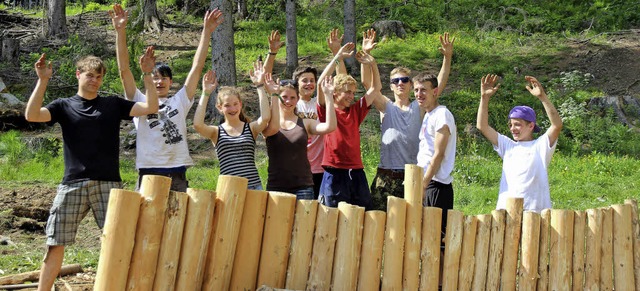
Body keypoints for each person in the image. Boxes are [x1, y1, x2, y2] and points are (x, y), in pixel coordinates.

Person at [25, 52, 159, 291]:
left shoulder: (112, 104)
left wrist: (148, 74)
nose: (94, 80)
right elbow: (32, 115)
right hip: (72, 184)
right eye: (89, 75)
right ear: (78, 75)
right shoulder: (63, 106)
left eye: (98, 76)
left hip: (108, 185)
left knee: (119, 242)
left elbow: (150, 106)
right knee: (55, 242)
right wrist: (42, 80)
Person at [110, 4, 223, 192]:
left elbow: (196, 67)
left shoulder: (180, 100)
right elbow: (124, 71)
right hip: (148, 170)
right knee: (147, 220)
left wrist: (207, 32)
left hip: (176, 170)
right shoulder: (138, 100)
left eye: (164, 78)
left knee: (176, 219)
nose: (159, 82)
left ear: (171, 82)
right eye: (155, 78)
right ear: (147, 79)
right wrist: (120, 31)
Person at [363, 29, 455, 211]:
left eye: (405, 80)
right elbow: (368, 84)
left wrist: (447, 57)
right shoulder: (386, 106)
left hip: (411, 176)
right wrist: (366, 54)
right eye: (396, 81)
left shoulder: (419, 106)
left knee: (409, 226)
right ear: (390, 86)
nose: (400, 83)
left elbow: (438, 85)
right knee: (379, 226)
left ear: (411, 85)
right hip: (386, 176)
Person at [263, 29, 346, 198]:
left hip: (315, 170)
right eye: (304, 80)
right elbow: (265, 79)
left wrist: (337, 54)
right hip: (281, 179)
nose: (288, 101)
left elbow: (337, 81)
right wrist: (272, 53)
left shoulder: (316, 105)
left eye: (312, 81)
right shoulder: (277, 115)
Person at [476, 74, 563, 212]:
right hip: (507, 211)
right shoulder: (508, 145)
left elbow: (556, 125)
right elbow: (482, 126)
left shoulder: (540, 146)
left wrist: (543, 97)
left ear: (531, 126)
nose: (512, 129)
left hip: (535, 212)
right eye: (510, 125)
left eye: (517, 124)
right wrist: (484, 98)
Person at [316, 43, 383, 210]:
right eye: (347, 92)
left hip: (356, 170)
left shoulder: (355, 111)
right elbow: (319, 84)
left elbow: (376, 88)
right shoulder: (328, 109)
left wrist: (373, 64)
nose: (351, 96)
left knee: (364, 214)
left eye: (353, 92)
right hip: (334, 171)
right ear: (334, 91)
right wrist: (337, 57)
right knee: (332, 215)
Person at [193, 62, 275, 190]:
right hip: (228, 188)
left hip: (253, 186)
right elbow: (197, 124)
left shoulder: (250, 128)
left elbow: (265, 118)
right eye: (227, 105)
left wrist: (259, 86)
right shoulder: (216, 132)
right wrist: (205, 93)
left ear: (240, 104)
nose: (232, 108)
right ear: (219, 108)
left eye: (235, 104)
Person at [262, 74, 337, 199]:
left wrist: (329, 96)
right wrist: (273, 95)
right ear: (278, 97)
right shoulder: (270, 124)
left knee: (303, 219)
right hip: (276, 186)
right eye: (284, 97)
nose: (288, 101)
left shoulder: (305, 122)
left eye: (292, 98)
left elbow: (330, 127)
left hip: (303, 186)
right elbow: (268, 129)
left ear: (297, 99)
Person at [414, 72, 457, 242]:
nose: (419, 94)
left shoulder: (441, 114)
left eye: (423, 90)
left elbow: (438, 154)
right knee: (425, 238)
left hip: (436, 185)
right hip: (426, 182)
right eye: (416, 90)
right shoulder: (428, 115)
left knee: (436, 241)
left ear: (435, 91)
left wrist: (424, 185)